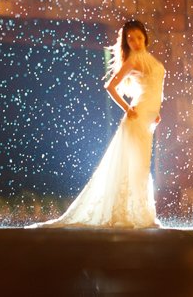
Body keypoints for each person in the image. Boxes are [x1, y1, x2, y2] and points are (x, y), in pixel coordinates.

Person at [28, 19, 166, 229]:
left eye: (138, 37)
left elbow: (154, 88)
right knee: (135, 166)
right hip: (137, 120)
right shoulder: (134, 61)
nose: (135, 42)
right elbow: (110, 86)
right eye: (130, 39)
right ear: (126, 43)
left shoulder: (151, 60)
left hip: (147, 118)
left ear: (145, 37)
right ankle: (128, 213)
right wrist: (127, 108)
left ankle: (141, 213)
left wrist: (155, 113)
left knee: (141, 166)